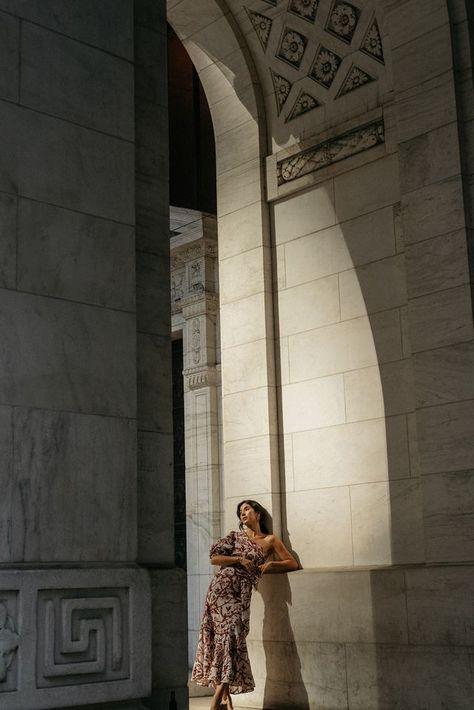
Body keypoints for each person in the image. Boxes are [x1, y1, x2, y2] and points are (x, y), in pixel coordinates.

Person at [191, 499, 299, 710]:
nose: (243, 513)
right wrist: (239, 559)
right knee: (223, 641)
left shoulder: (270, 540)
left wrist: (269, 564)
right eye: (240, 511)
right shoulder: (235, 537)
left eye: (247, 509)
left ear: (257, 514)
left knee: (232, 639)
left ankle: (225, 701)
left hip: (241, 593)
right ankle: (218, 703)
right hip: (220, 591)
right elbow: (214, 558)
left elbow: (292, 563)